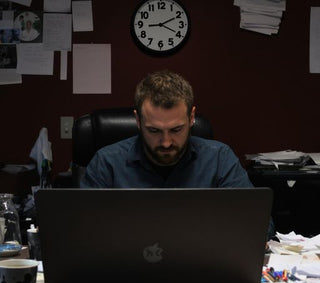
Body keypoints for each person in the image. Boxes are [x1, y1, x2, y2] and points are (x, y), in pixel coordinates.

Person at [80, 70, 274, 237]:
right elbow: (81, 229)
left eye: (176, 130)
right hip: (126, 269)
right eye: (154, 131)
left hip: (203, 268)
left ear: (191, 118)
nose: (166, 142)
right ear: (138, 121)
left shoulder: (219, 159)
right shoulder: (107, 162)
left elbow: (260, 226)